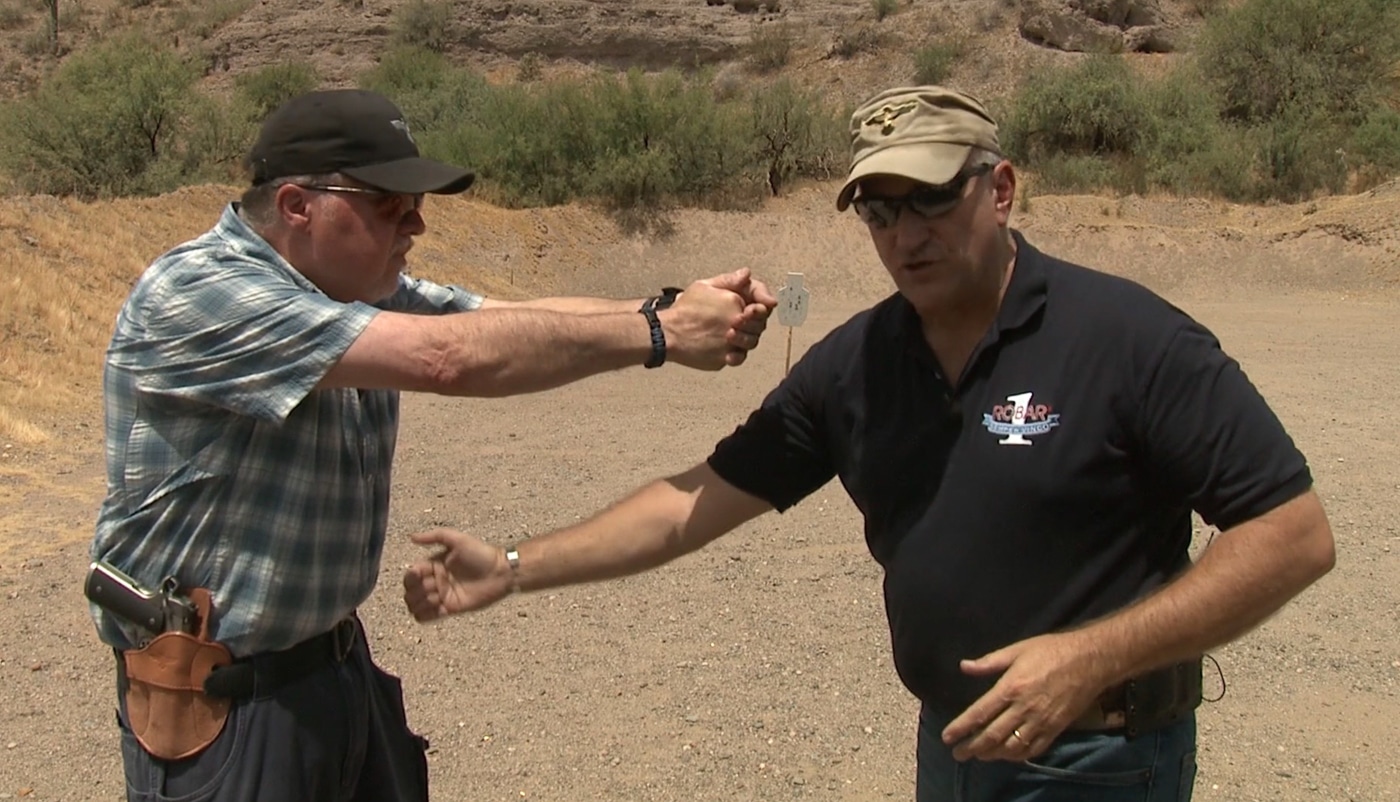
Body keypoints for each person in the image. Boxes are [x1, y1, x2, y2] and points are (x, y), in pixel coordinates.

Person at [401, 85, 1337, 802]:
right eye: (878, 211)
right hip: (954, 746)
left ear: (1000, 188)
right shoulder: (855, 364)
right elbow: (693, 504)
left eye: (927, 201)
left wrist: (1093, 657)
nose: (903, 235)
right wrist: (515, 565)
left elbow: (1291, 534)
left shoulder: (1128, 338)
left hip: (1104, 758)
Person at [87, 88, 775, 802]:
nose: (416, 222)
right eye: (390, 203)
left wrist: (670, 309)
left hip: (331, 671)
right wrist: (663, 337)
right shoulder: (202, 290)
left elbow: (504, 320)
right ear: (297, 206)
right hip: (226, 705)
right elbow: (448, 356)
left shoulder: (344, 284)